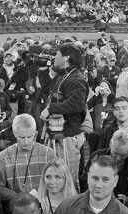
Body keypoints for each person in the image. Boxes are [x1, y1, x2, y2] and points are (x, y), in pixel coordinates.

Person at [40, 42, 89, 186]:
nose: (54, 57)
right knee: (55, 180)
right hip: (57, 134)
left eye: (57, 55)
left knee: (67, 182)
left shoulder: (76, 79)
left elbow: (77, 104)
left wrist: (51, 109)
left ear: (66, 58)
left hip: (68, 138)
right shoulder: (64, 75)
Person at [0, 114, 57, 205]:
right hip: (17, 208)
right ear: (15, 134)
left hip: (46, 205)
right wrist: (18, 197)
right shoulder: (2, 158)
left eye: (30, 136)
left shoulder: (49, 154)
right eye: (22, 137)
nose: (26, 141)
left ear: (35, 133)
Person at [90, 130, 128, 201]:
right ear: (110, 144)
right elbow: (85, 183)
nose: (118, 158)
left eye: (123, 155)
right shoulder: (97, 157)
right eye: (115, 153)